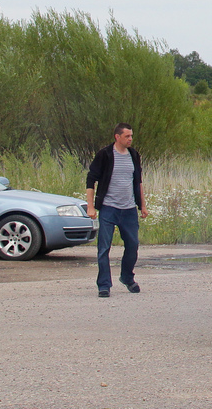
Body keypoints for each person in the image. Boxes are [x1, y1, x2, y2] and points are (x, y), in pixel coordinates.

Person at [86, 123, 148, 297]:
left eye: (131, 136)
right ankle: (104, 285)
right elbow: (91, 179)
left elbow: (138, 181)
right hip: (108, 208)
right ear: (117, 137)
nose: (130, 139)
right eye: (127, 136)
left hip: (128, 209)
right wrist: (90, 206)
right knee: (104, 248)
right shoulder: (105, 155)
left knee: (133, 245)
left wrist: (142, 205)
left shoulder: (134, 155)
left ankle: (127, 277)